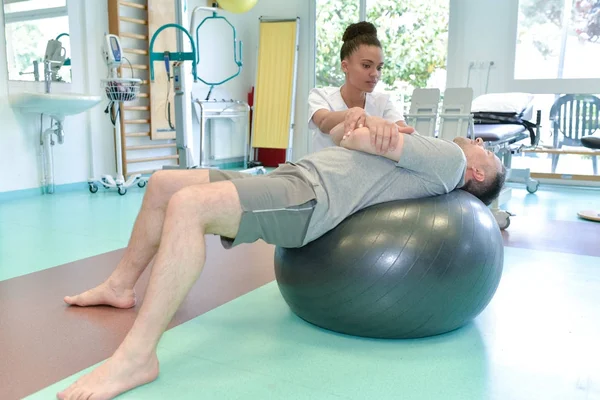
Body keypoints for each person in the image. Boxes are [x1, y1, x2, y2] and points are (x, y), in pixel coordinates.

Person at [56, 120, 505, 400]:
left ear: (477, 173)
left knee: (189, 205)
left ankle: (137, 357)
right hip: (295, 174)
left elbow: (361, 139)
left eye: (486, 150)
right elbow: (352, 137)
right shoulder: (433, 160)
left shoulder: (448, 160)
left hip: (310, 196)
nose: (480, 140)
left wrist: (368, 130)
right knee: (162, 184)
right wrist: (365, 129)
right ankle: (119, 287)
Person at [309, 21, 408, 153]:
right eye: (366, 65)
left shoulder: (382, 102)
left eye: (379, 68)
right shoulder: (321, 95)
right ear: (345, 66)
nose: (375, 74)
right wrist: (353, 113)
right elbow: (323, 122)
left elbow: (404, 131)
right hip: (324, 171)